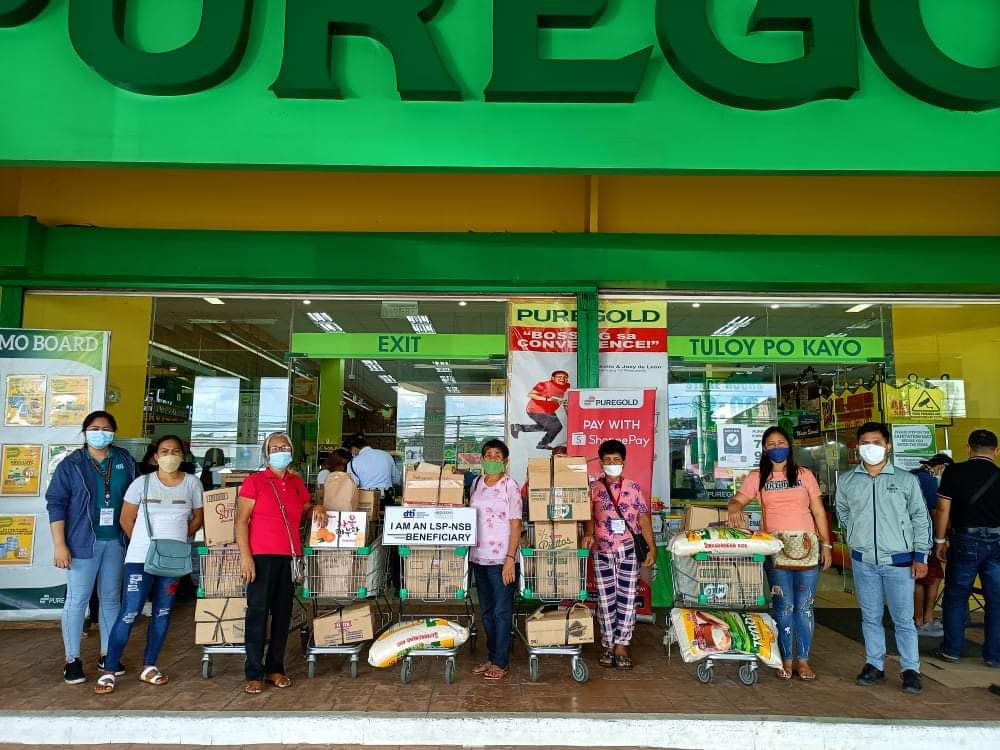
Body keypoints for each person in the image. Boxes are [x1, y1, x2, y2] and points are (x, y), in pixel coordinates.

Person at [95, 435, 204, 694]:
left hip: (173, 560)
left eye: (175, 451)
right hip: (140, 559)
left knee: (163, 613)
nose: (170, 456)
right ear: (155, 456)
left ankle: (149, 666)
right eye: (164, 451)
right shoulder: (141, 484)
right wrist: (148, 544)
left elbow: (198, 518)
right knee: (130, 611)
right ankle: (109, 669)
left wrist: (175, 541)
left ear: (183, 455)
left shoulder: (192, 484)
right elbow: (125, 520)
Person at [727, 426, 833, 680]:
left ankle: (804, 661)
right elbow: (737, 500)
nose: (777, 448)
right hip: (775, 549)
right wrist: (733, 508)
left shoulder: (805, 475)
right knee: (783, 606)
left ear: (790, 446)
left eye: (781, 442)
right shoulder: (757, 477)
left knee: (804, 607)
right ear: (764, 449)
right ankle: (786, 660)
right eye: (771, 444)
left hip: (807, 547)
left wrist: (827, 544)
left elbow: (818, 511)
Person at [835, 422, 930, 695]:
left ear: (888, 445)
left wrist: (920, 556)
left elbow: (920, 519)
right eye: (865, 442)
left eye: (876, 442)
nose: (870, 447)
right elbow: (842, 512)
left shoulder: (905, 480)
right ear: (858, 447)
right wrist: (855, 534)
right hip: (864, 561)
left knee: (903, 619)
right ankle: (874, 665)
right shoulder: (849, 481)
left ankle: (910, 669)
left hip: (899, 561)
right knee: (870, 616)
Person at [46, 410, 138, 685]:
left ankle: (108, 655)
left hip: (117, 541)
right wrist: (60, 545)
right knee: (77, 600)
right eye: (95, 428)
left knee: (111, 600)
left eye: (106, 428)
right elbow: (56, 504)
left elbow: (137, 497)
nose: (101, 433)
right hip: (82, 543)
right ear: (85, 432)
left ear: (114, 432)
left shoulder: (123, 460)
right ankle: (72, 659)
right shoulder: (71, 464)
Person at [237, 432, 325, 695]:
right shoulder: (255, 482)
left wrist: (316, 508)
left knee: (283, 615)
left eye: (285, 446)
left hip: (289, 556)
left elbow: (304, 508)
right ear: (266, 452)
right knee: (257, 613)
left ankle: (276, 668)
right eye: (275, 447)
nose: (281, 450)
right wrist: (246, 556)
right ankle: (254, 672)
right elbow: (241, 521)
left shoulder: (296, 482)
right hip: (261, 556)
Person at [581, 439, 656, 670]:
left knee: (627, 598)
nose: (612, 463)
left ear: (623, 461)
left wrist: (652, 547)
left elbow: (643, 518)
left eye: (616, 460)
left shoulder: (633, 488)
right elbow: (589, 516)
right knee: (605, 600)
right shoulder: (593, 487)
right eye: (607, 460)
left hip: (628, 550)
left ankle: (622, 645)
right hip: (602, 550)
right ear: (601, 462)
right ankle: (608, 644)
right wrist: (589, 533)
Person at [933, 429, 1000, 667]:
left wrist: (939, 541)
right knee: (997, 600)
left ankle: (952, 650)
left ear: (968, 448)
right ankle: (994, 656)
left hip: (965, 540)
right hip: (998, 542)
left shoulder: (954, 471)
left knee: (956, 596)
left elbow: (943, 509)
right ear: (996, 451)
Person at [469, 439, 522, 681]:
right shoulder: (477, 484)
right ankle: (492, 656)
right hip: (479, 558)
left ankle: (500, 662)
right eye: (488, 454)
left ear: (505, 461)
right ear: (482, 459)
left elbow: (516, 523)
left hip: (502, 559)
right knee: (487, 612)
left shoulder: (510, 485)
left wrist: (510, 558)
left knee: (502, 612)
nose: (492, 458)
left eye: (496, 454)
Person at [912, 453, 953, 636]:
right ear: (942, 467)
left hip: (910, 537)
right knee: (933, 577)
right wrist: (940, 540)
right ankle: (924, 620)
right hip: (926, 537)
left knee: (917, 578)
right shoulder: (928, 481)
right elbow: (936, 511)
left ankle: (918, 619)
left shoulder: (912, 475)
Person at [509, 370, 571, 450]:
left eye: (565, 377)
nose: (562, 379)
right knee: (556, 427)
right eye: (559, 377)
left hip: (549, 411)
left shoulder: (566, 387)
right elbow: (531, 394)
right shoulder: (544, 385)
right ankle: (542, 444)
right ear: (552, 378)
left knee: (550, 428)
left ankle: (518, 427)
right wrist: (547, 399)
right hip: (537, 409)